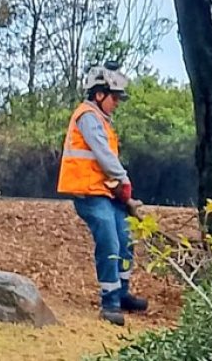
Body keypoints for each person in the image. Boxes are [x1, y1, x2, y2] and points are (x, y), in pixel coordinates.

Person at [56, 61, 148, 326]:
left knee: (125, 238)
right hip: (89, 195)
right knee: (110, 241)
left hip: (107, 194)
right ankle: (109, 302)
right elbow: (104, 157)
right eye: (115, 97)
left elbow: (105, 162)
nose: (117, 102)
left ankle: (122, 293)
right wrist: (124, 180)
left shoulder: (103, 120)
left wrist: (122, 193)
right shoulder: (88, 116)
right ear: (99, 94)